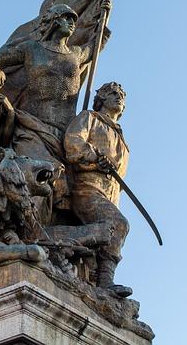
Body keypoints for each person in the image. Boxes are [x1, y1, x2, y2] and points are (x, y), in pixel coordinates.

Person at [0, 1, 111, 220]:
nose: (71, 23)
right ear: (52, 21)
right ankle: (28, 231)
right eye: (66, 17)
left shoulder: (76, 54)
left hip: (66, 134)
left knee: (63, 190)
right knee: (43, 175)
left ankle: (46, 238)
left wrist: (105, 12)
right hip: (33, 127)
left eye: (73, 20)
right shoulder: (31, 49)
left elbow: (96, 45)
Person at [63, 81, 132, 297]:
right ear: (101, 98)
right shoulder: (89, 118)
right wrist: (94, 157)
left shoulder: (122, 140)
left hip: (110, 195)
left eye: (121, 94)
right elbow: (73, 143)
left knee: (99, 246)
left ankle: (97, 284)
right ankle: (105, 281)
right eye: (112, 93)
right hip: (87, 188)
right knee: (118, 224)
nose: (118, 96)